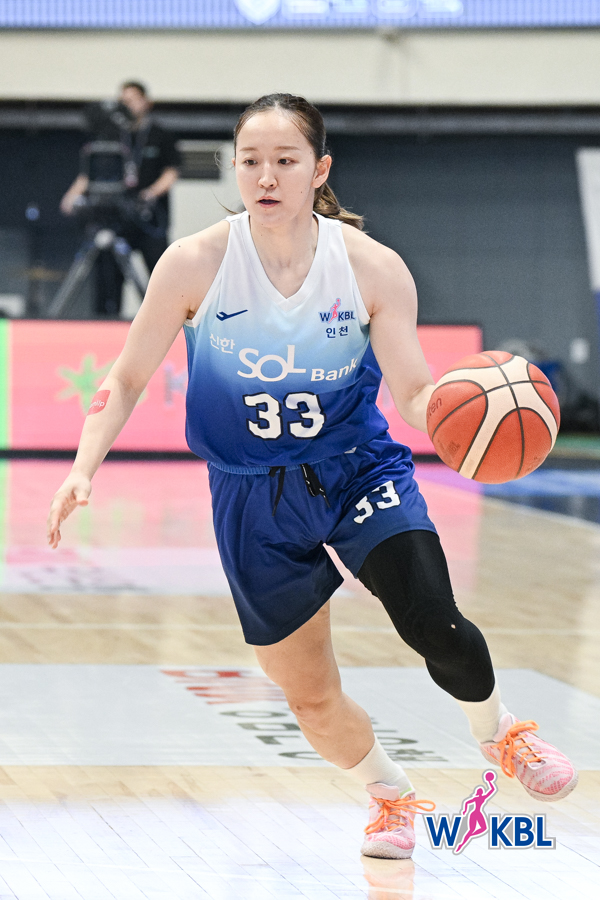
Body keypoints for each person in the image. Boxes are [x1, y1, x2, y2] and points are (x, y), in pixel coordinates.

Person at [47, 93, 577, 860]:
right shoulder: (194, 265)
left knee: (434, 620)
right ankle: (389, 794)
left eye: (285, 161)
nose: (266, 176)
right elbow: (127, 378)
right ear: (235, 168)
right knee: (312, 698)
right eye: (250, 161)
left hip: (356, 469)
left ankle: (500, 732)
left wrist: (463, 421)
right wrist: (83, 467)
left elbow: (414, 393)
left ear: (319, 169)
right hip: (249, 493)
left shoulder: (370, 268)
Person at [60, 80, 179, 317]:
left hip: (148, 218)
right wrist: (73, 195)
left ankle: (169, 318)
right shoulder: (112, 134)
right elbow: (91, 171)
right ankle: (108, 320)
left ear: (146, 102)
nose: (127, 105)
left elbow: (171, 172)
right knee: (109, 274)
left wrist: (150, 193)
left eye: (132, 100)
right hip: (117, 217)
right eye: (123, 101)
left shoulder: (160, 134)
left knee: (160, 271)